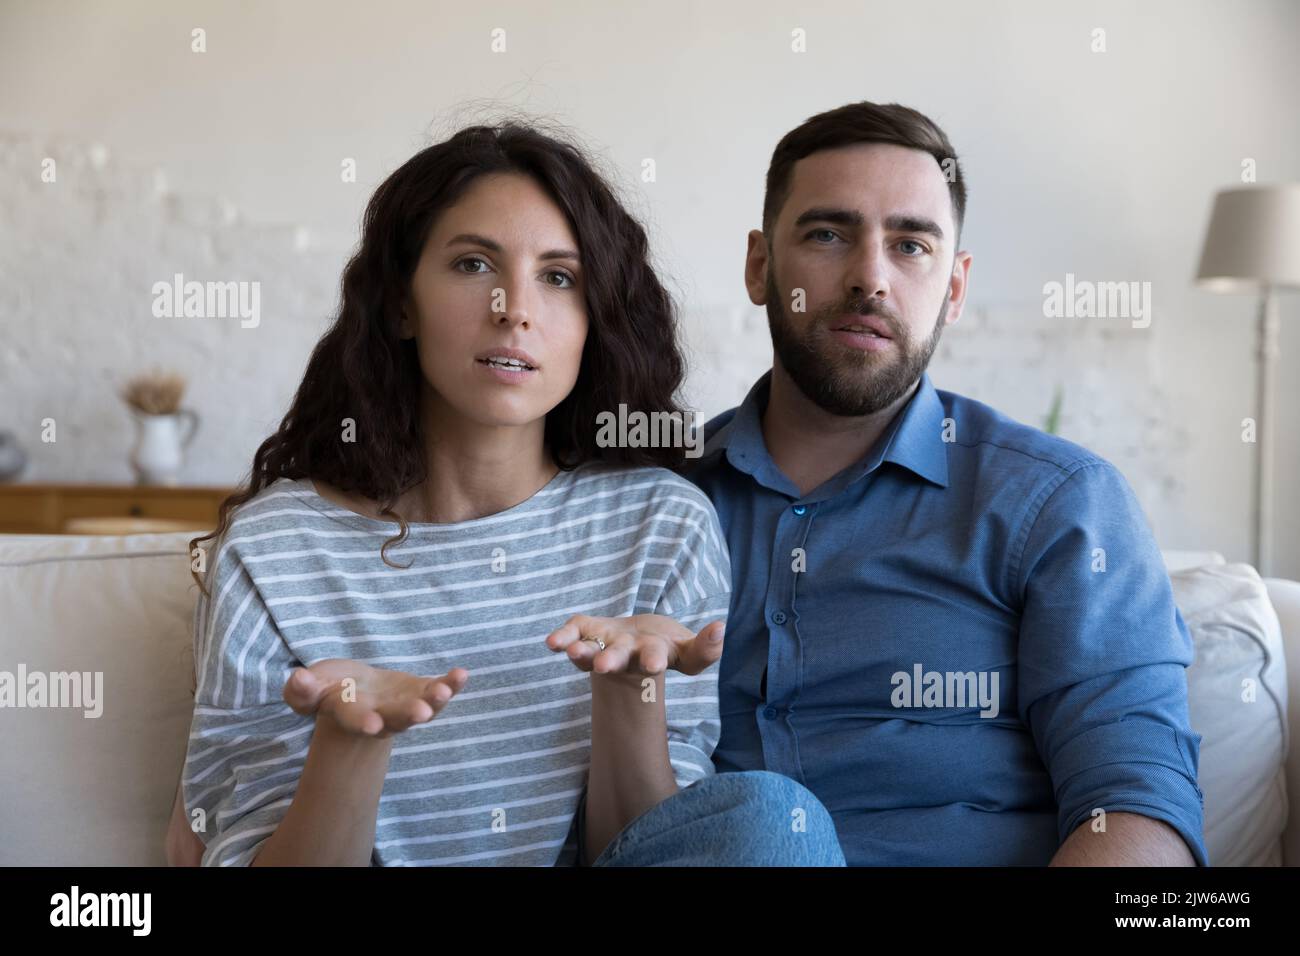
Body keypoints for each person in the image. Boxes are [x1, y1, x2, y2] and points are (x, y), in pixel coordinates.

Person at [168, 121, 845, 867]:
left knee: (777, 820)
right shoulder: (275, 549)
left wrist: (628, 691)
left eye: (559, 277)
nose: (513, 307)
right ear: (400, 303)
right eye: (471, 264)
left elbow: (651, 855)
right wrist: (349, 742)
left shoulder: (660, 522)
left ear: (594, 321)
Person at [682, 100, 1209, 866]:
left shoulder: (1060, 504)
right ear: (761, 266)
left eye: (911, 246)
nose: (870, 277)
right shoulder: (658, 499)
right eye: (828, 234)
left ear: (954, 290)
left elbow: (1135, 807)